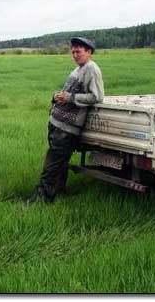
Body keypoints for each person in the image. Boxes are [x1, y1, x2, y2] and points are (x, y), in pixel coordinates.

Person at [31, 37, 104, 203]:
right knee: (60, 164)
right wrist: (57, 96)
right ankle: (58, 193)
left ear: (89, 52)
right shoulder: (77, 70)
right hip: (58, 123)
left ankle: (41, 200)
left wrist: (70, 97)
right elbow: (68, 93)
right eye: (73, 51)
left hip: (68, 128)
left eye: (78, 51)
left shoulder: (91, 69)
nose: (75, 54)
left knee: (52, 165)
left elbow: (97, 96)